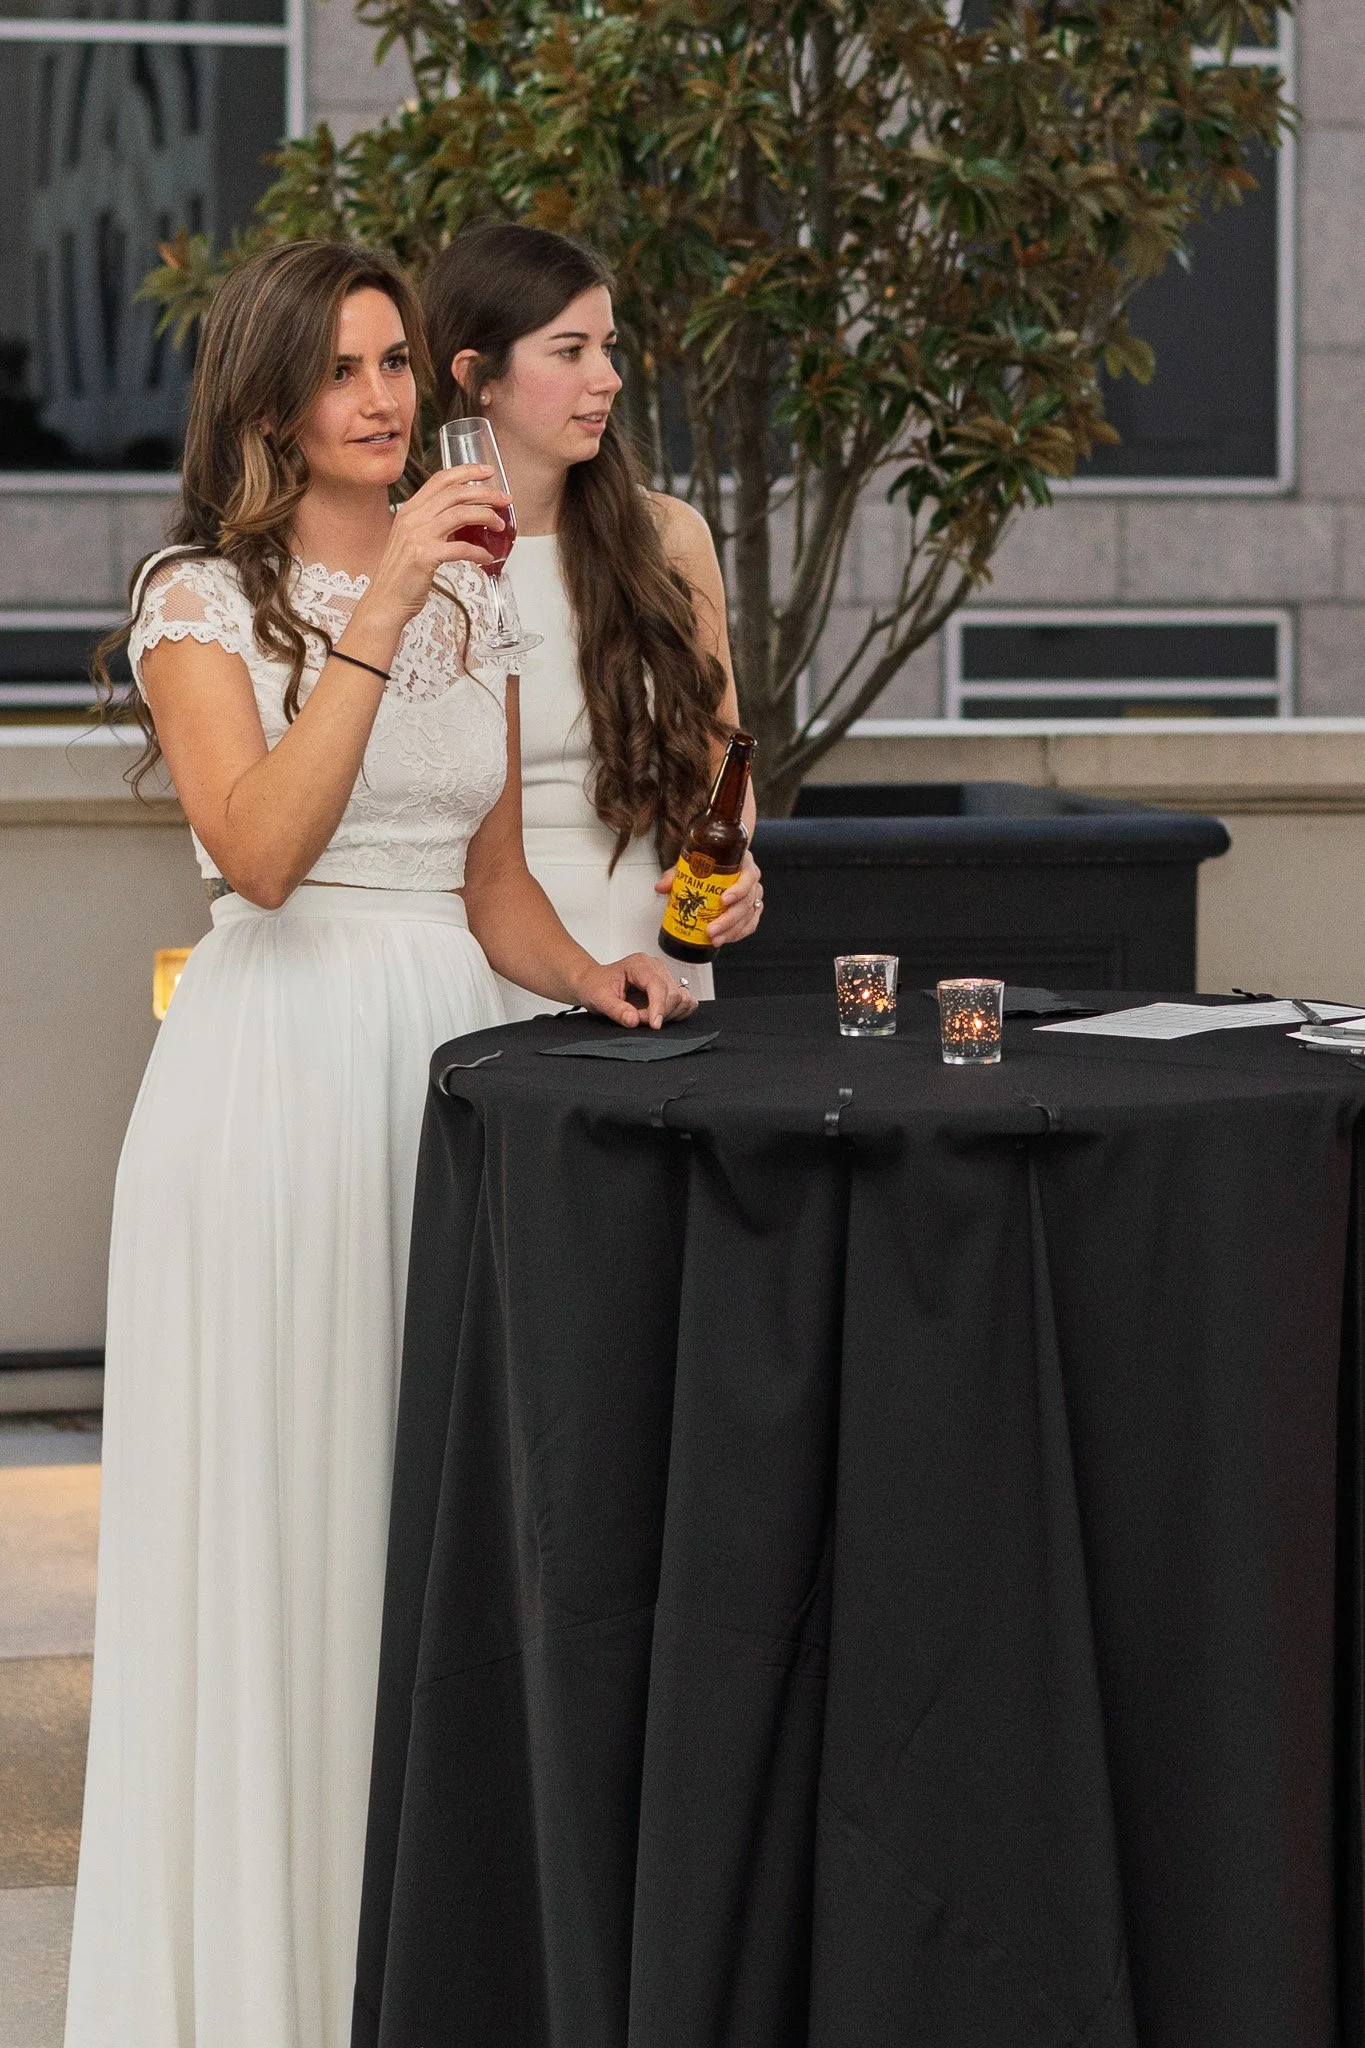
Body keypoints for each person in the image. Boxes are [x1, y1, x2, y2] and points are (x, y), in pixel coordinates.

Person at [64, 239, 694, 2048]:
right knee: (292, 1514)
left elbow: (493, 885)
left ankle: (425, 1960)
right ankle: (262, 1989)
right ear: (271, 401)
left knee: (430, 1520)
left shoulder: (482, 599)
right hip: (274, 1082)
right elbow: (258, 848)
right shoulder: (202, 596)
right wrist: (381, 604)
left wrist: (598, 974)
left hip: (458, 1068)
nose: (386, 398)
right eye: (346, 370)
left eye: (400, 365)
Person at [420, 222, 765, 1020]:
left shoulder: (668, 537)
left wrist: (735, 869)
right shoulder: (417, 554)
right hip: (483, 956)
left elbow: (724, 757)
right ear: (479, 377)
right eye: (570, 351)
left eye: (608, 348)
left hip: (662, 949)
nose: (606, 378)